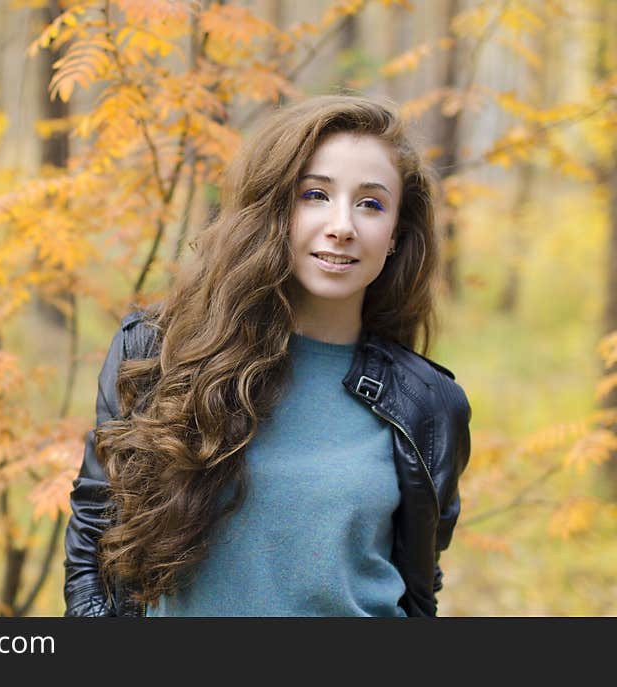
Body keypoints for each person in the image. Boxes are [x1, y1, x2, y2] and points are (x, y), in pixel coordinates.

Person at [63, 94, 472, 617]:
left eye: (371, 204)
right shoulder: (161, 353)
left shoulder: (428, 405)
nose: (342, 225)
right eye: (315, 195)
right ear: (275, 208)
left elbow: (419, 586)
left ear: (394, 235)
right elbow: (94, 545)